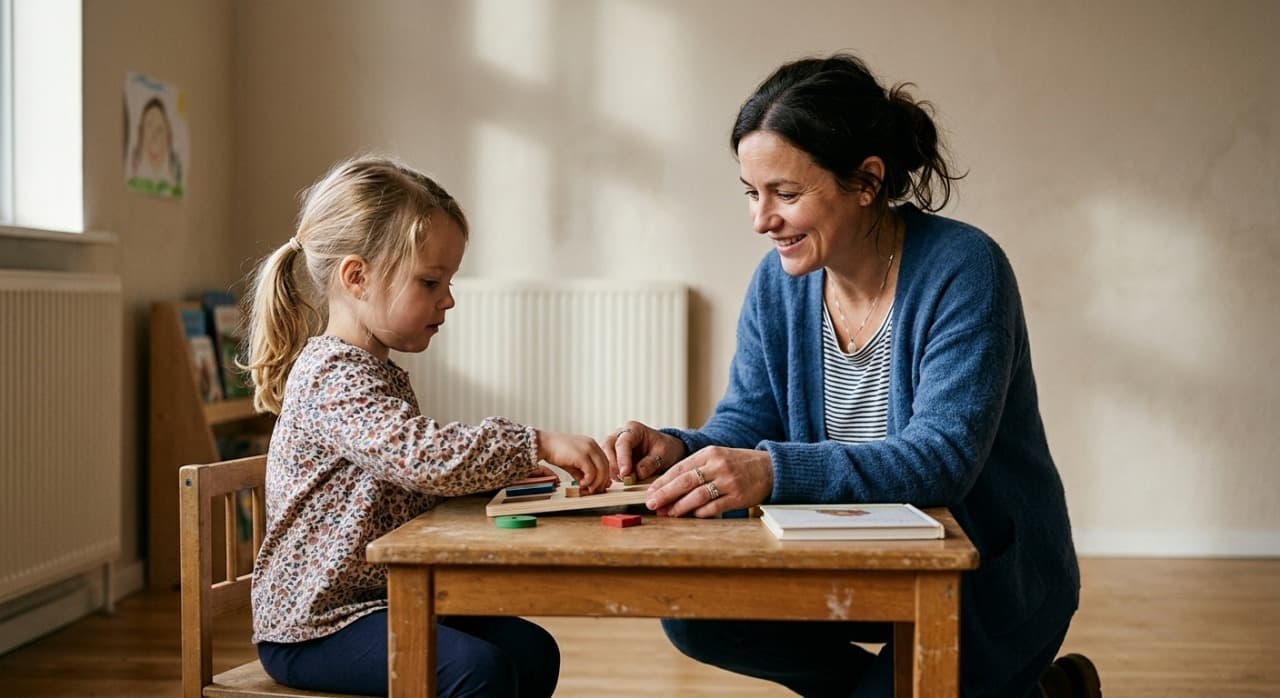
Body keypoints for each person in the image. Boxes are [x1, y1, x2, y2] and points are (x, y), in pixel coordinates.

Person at [604, 55, 1099, 698]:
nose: (762, 219)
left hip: (981, 579)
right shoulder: (776, 285)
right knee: (697, 616)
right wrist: (680, 447)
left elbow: (943, 458)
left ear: (866, 181)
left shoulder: (965, 268)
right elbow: (748, 423)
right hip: (846, 559)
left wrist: (772, 471)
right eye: (752, 193)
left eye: (786, 193)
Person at [244, 155, 611, 696]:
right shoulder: (331, 375)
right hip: (317, 624)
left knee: (533, 653)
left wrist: (506, 474)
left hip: (380, 600)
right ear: (357, 277)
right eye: (430, 281)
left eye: (449, 280)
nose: (449, 298)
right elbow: (420, 456)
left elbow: (408, 479)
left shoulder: (376, 371)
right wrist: (533, 441)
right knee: (478, 673)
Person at [128, 97, 183, 196]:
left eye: (160, 129)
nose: (154, 136)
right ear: (141, 133)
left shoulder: (174, 177)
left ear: (167, 136)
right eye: (149, 126)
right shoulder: (134, 172)